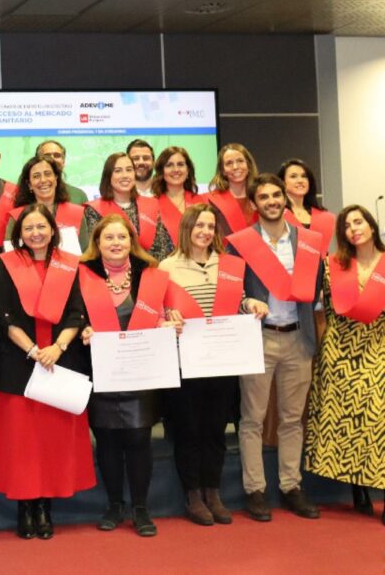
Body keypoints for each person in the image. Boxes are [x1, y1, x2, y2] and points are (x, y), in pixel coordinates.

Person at [225, 173, 325, 522]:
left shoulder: (309, 240)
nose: (271, 201)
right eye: (263, 197)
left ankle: (290, 486)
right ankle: (255, 489)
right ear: (253, 205)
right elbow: (230, 290)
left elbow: (316, 290)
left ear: (285, 198)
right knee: (251, 419)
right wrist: (246, 300)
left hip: (298, 337)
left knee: (292, 419)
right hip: (258, 337)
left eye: (276, 195)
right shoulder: (239, 243)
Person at [0, 203, 92, 541]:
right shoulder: (5, 265)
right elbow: (2, 315)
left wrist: (56, 349)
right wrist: (34, 350)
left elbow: (77, 312)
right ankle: (25, 506)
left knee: (51, 440)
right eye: (28, 228)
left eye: (41, 227)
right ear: (19, 233)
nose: (35, 233)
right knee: (23, 443)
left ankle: (45, 507)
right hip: (19, 364)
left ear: (52, 230)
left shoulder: (69, 265)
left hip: (59, 361)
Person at [161, 204, 267, 525]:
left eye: (210, 226)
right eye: (199, 226)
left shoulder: (230, 264)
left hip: (222, 359)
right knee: (189, 429)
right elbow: (159, 310)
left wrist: (251, 303)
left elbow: (239, 300)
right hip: (186, 360)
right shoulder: (167, 266)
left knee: (215, 430)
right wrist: (167, 316)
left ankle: (213, 492)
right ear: (187, 229)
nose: (206, 231)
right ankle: (193, 495)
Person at [78, 214, 182, 537]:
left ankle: (140, 507)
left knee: (139, 439)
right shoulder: (82, 276)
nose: (116, 243)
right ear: (97, 243)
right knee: (107, 439)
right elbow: (72, 315)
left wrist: (169, 324)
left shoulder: (150, 276)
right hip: (101, 371)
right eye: (108, 238)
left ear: (131, 241)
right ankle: (113, 504)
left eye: (121, 237)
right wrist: (82, 327)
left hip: (141, 370)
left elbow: (167, 314)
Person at [305, 205, 385, 523]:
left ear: (371, 224)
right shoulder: (333, 266)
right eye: (348, 224)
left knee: (379, 418)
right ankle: (357, 485)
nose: (354, 228)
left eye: (359, 221)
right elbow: (320, 308)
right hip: (342, 350)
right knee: (351, 417)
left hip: (379, 347)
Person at [83, 152, 173, 260]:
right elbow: (96, 250)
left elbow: (163, 248)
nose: (125, 175)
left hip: (151, 270)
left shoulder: (152, 205)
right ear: (108, 176)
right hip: (112, 271)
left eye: (129, 170)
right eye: (118, 171)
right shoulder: (93, 210)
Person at [6, 154, 86, 253]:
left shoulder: (75, 213)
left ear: (56, 178)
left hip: (71, 268)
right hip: (26, 268)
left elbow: (86, 254)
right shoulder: (17, 217)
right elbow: (11, 256)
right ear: (29, 184)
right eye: (36, 176)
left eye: (48, 174)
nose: (43, 180)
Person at [151, 146, 206, 249]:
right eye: (169, 165)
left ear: (188, 170)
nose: (176, 170)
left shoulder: (201, 202)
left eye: (180, 164)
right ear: (162, 172)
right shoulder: (152, 204)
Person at [279, 158, 335, 247]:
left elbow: (324, 253)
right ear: (282, 183)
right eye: (293, 176)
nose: (300, 180)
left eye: (304, 176)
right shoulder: (277, 215)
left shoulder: (324, 216)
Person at [208, 143, 259, 237]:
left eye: (240, 161)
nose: (235, 167)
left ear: (248, 165)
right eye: (229, 163)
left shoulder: (260, 198)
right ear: (223, 170)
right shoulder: (210, 201)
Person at [36, 140, 89, 204]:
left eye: (57, 155)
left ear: (63, 162)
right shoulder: (27, 195)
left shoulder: (78, 195)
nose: (53, 159)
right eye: (47, 155)